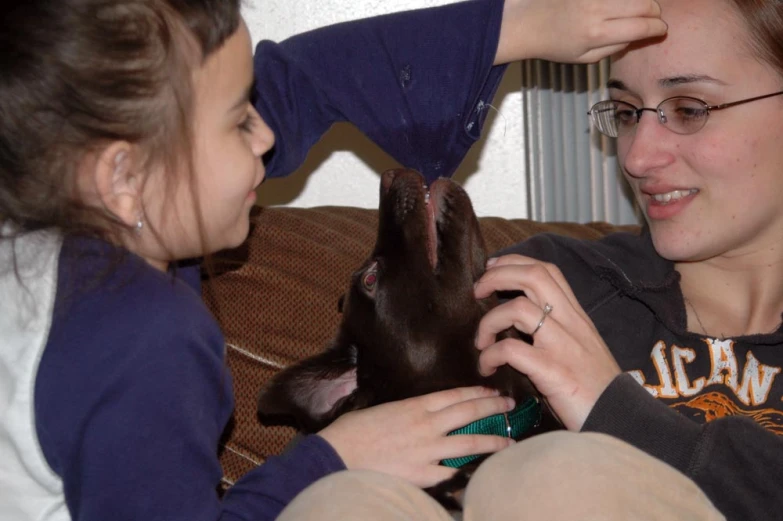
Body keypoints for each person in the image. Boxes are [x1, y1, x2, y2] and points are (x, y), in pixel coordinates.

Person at [0, 0, 666, 520]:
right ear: (121, 175)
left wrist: (507, 28)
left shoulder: (37, 256)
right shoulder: (142, 335)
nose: (266, 136)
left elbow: (298, 87)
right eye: (239, 121)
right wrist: (334, 457)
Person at [272, 0, 783, 520]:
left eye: (689, 108)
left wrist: (613, 410)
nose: (636, 157)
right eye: (627, 113)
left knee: (548, 473)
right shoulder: (546, 288)